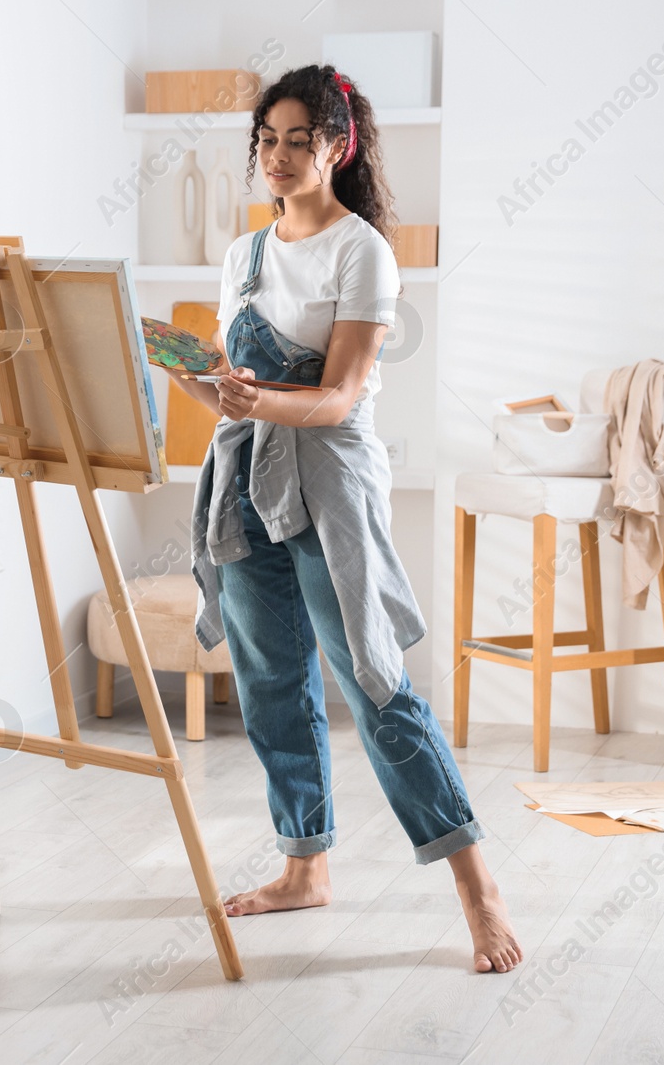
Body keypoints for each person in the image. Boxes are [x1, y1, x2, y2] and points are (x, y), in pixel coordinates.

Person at [174, 65, 522, 974]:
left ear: (339, 146)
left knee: (374, 683)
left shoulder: (360, 250)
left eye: (299, 139)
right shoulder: (242, 255)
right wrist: (203, 384)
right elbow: (234, 390)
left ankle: (478, 890)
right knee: (268, 685)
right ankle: (305, 863)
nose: (279, 157)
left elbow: (335, 400)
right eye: (268, 140)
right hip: (247, 485)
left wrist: (250, 401)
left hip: (328, 485)